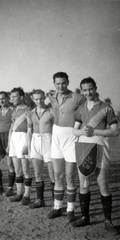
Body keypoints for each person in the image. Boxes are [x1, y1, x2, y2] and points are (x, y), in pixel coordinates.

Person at [71, 77, 119, 234]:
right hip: (83, 147)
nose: (88, 92)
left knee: (103, 184)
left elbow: (115, 131)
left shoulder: (106, 107)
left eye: (90, 89)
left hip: (100, 146)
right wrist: (82, 131)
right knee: (84, 183)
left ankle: (108, 221)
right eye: (84, 90)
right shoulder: (80, 109)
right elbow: (75, 131)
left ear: (95, 88)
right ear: (81, 90)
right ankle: (85, 217)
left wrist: (95, 131)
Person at [47, 72, 86, 222]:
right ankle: (57, 207)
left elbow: (88, 110)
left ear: (68, 82)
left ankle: (70, 209)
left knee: (70, 176)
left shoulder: (77, 97)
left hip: (71, 137)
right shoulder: (52, 97)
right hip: (56, 136)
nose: (60, 86)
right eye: (57, 83)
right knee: (58, 176)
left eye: (63, 83)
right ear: (54, 84)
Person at [27, 90, 55, 208]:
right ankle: (40, 200)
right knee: (38, 174)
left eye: (41, 98)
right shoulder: (30, 113)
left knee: (53, 175)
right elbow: (29, 132)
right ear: (33, 100)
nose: (39, 101)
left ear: (45, 98)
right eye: (36, 99)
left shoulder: (52, 112)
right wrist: (29, 149)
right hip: (35, 141)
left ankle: (56, 203)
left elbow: (56, 130)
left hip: (49, 141)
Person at [8, 87, 32, 205]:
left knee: (25, 169)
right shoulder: (13, 110)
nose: (11, 99)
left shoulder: (28, 110)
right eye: (11, 97)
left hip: (23, 138)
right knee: (17, 169)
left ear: (21, 97)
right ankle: (19, 193)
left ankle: (27, 195)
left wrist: (27, 144)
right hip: (14, 139)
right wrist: (9, 143)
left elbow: (30, 129)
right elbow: (11, 128)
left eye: (14, 97)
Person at [0, 91, 15, 196]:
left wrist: (10, 142)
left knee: (10, 164)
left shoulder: (13, 110)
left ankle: (10, 188)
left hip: (9, 137)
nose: (1, 100)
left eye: (3, 98)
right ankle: (0, 187)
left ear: (8, 98)